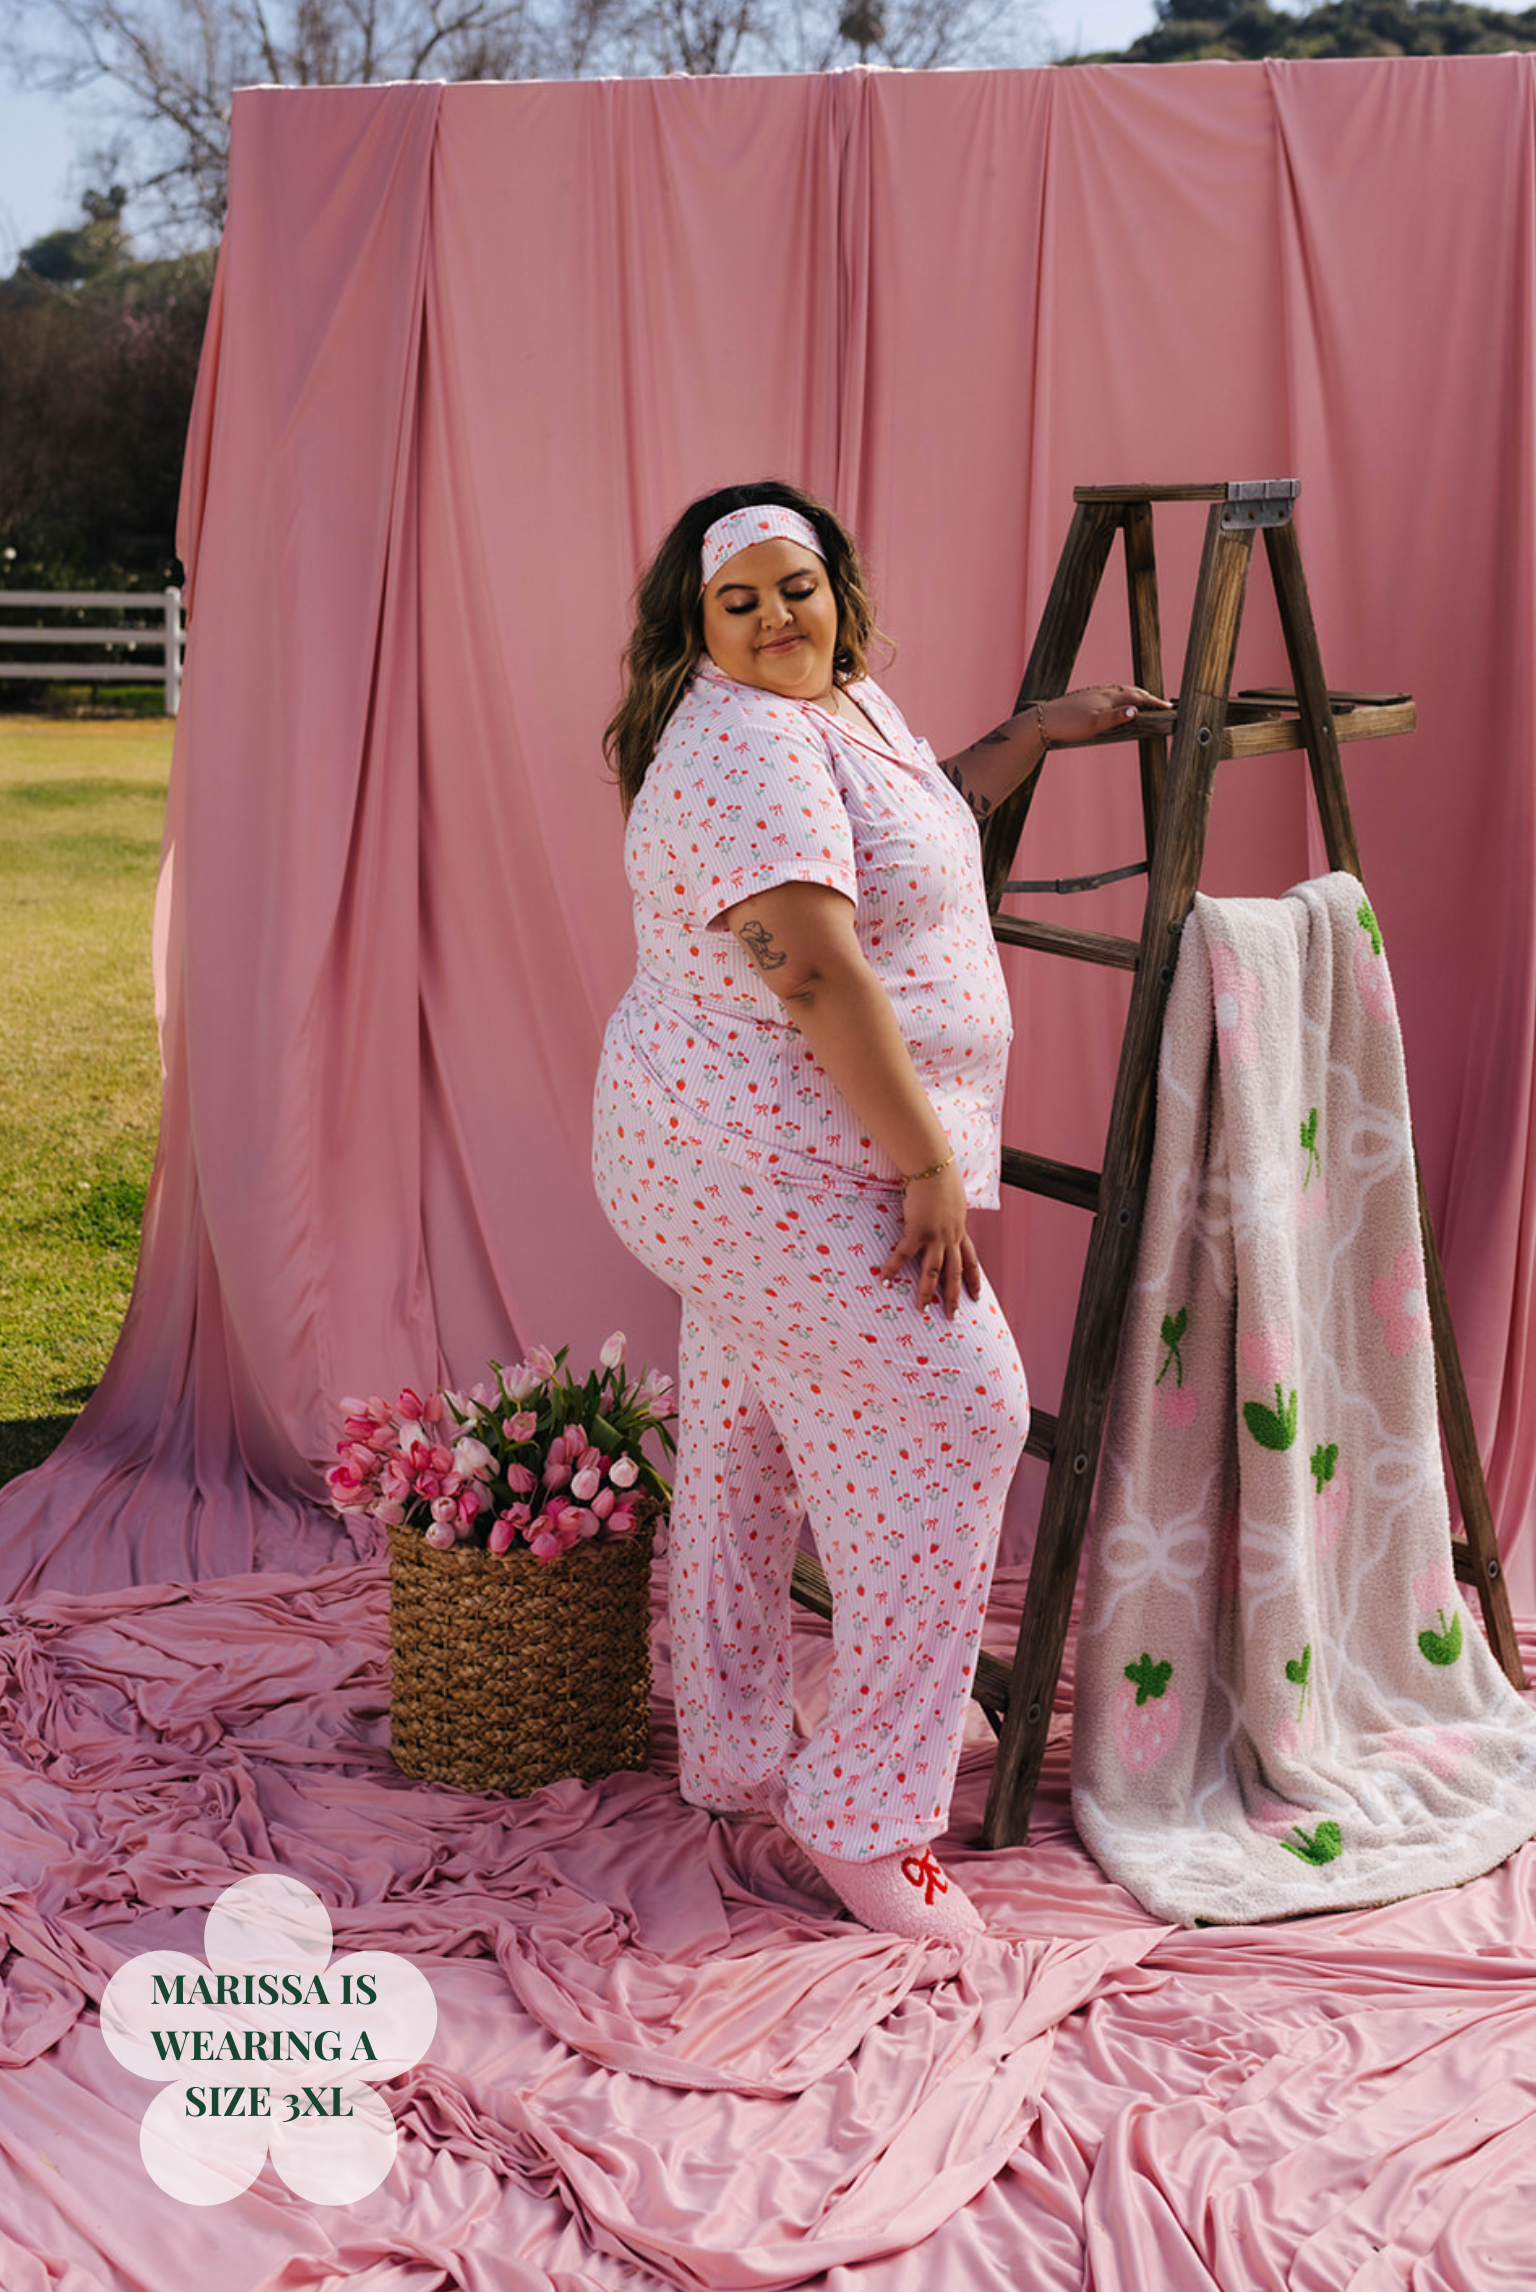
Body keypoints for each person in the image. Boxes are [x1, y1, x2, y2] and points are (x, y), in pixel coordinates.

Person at [592, 480, 1167, 1944]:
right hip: (767, 1164)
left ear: (840, 594)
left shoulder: (842, 707)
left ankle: (727, 1748)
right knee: (960, 1413)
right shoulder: (744, 750)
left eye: (802, 587)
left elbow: (907, 828)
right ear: (694, 628)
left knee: (741, 1416)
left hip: (721, 1151)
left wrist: (1031, 737)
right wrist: (922, 1167)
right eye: (742, 600)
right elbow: (817, 975)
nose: (780, 617)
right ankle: (864, 1816)